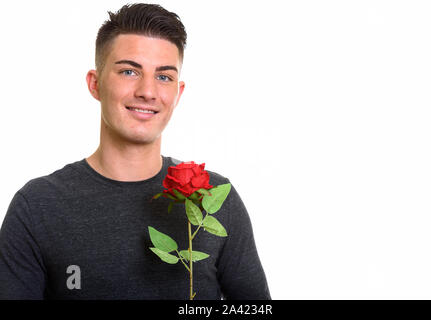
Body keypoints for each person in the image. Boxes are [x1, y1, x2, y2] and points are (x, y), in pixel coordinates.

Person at [0, 3, 270, 299]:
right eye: (129, 71)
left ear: (178, 93)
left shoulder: (215, 197)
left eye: (164, 76)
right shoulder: (38, 206)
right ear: (95, 84)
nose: (148, 91)